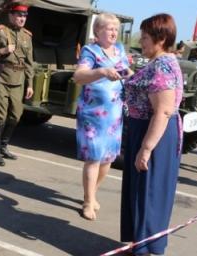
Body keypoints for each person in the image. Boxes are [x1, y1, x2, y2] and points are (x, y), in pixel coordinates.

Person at [121, 13, 183, 255]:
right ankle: (141, 246)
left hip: (153, 135)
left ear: (161, 39)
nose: (141, 41)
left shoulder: (163, 66)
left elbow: (163, 111)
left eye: (145, 37)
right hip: (147, 132)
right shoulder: (159, 63)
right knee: (142, 194)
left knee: (148, 195)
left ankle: (147, 251)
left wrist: (145, 149)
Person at [72, 13, 131, 221]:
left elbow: (126, 71)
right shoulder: (91, 51)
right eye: (109, 28)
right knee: (94, 157)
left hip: (114, 114)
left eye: (116, 29)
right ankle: (88, 202)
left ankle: (91, 192)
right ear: (98, 31)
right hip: (93, 114)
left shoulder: (120, 50)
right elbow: (79, 76)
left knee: (108, 159)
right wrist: (102, 72)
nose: (114, 32)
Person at [0, 2, 34, 166]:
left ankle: (4, 146)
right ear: (11, 15)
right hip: (1, 78)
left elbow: (29, 63)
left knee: (15, 116)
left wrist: (30, 84)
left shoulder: (27, 36)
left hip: (18, 80)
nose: (22, 18)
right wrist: (3, 51)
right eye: (19, 15)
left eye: (24, 16)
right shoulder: (0, 32)